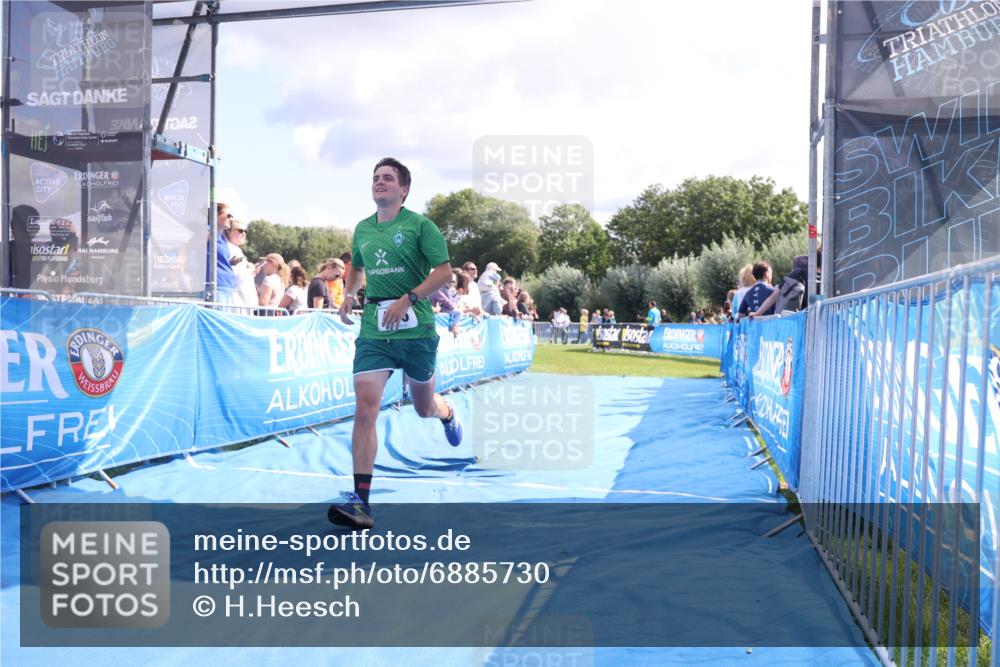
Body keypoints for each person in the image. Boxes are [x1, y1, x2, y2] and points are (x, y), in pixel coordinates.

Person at [329, 157, 463, 529]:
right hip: (375, 331)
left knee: (423, 407)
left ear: (403, 190)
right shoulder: (362, 229)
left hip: (416, 331)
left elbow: (444, 272)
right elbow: (355, 267)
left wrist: (410, 298)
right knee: (365, 406)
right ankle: (361, 502)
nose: (379, 182)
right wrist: (351, 295)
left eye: (388, 178)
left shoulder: (420, 225)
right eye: (375, 178)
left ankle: (447, 412)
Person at [224, 219, 258, 307]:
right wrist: (250, 270)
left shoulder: (237, 250)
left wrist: (252, 270)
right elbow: (235, 274)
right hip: (236, 299)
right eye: (240, 230)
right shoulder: (229, 249)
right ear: (229, 231)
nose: (244, 234)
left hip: (242, 299)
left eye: (245, 231)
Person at [213, 202, 239, 303]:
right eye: (228, 215)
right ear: (216, 215)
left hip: (226, 287)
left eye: (232, 216)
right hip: (216, 287)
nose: (231, 219)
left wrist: (230, 262)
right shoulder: (208, 232)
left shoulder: (222, 238)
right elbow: (187, 248)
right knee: (216, 318)